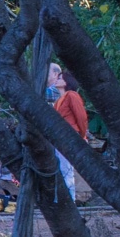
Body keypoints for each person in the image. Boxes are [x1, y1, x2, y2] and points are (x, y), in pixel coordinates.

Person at [47, 63, 92, 200]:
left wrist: (82, 135)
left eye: (60, 78)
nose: (57, 79)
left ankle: (69, 199)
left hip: (70, 136)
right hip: (60, 137)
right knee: (61, 168)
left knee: (67, 169)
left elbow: (81, 117)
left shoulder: (72, 95)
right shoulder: (59, 100)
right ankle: (62, 199)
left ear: (66, 82)